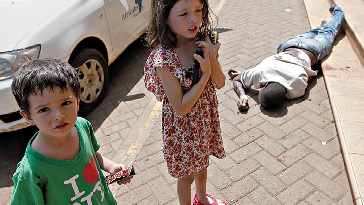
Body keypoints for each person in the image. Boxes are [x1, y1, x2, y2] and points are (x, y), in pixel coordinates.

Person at [10, 58, 132, 204]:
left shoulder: (82, 126)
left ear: (78, 101)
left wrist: (111, 166)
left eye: (65, 103)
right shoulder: (30, 172)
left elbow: (92, 155)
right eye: (43, 110)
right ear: (28, 116)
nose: (59, 116)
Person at [144, 0, 227, 204]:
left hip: (203, 120)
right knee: (187, 175)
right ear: (165, 18)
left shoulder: (202, 41)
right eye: (184, 14)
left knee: (202, 166)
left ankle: (201, 198)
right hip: (182, 129)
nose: (194, 19)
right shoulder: (164, 59)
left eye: (198, 10)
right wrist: (205, 73)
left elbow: (221, 82)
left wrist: (212, 58)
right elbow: (181, 107)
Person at [229, 4, 344, 111]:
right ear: (267, 85)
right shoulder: (260, 73)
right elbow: (237, 79)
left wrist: (243, 93)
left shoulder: (296, 87)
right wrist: (242, 95)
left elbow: (312, 75)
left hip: (312, 50)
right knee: (317, 33)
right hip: (287, 45)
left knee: (330, 31)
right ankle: (323, 26)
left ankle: (337, 12)